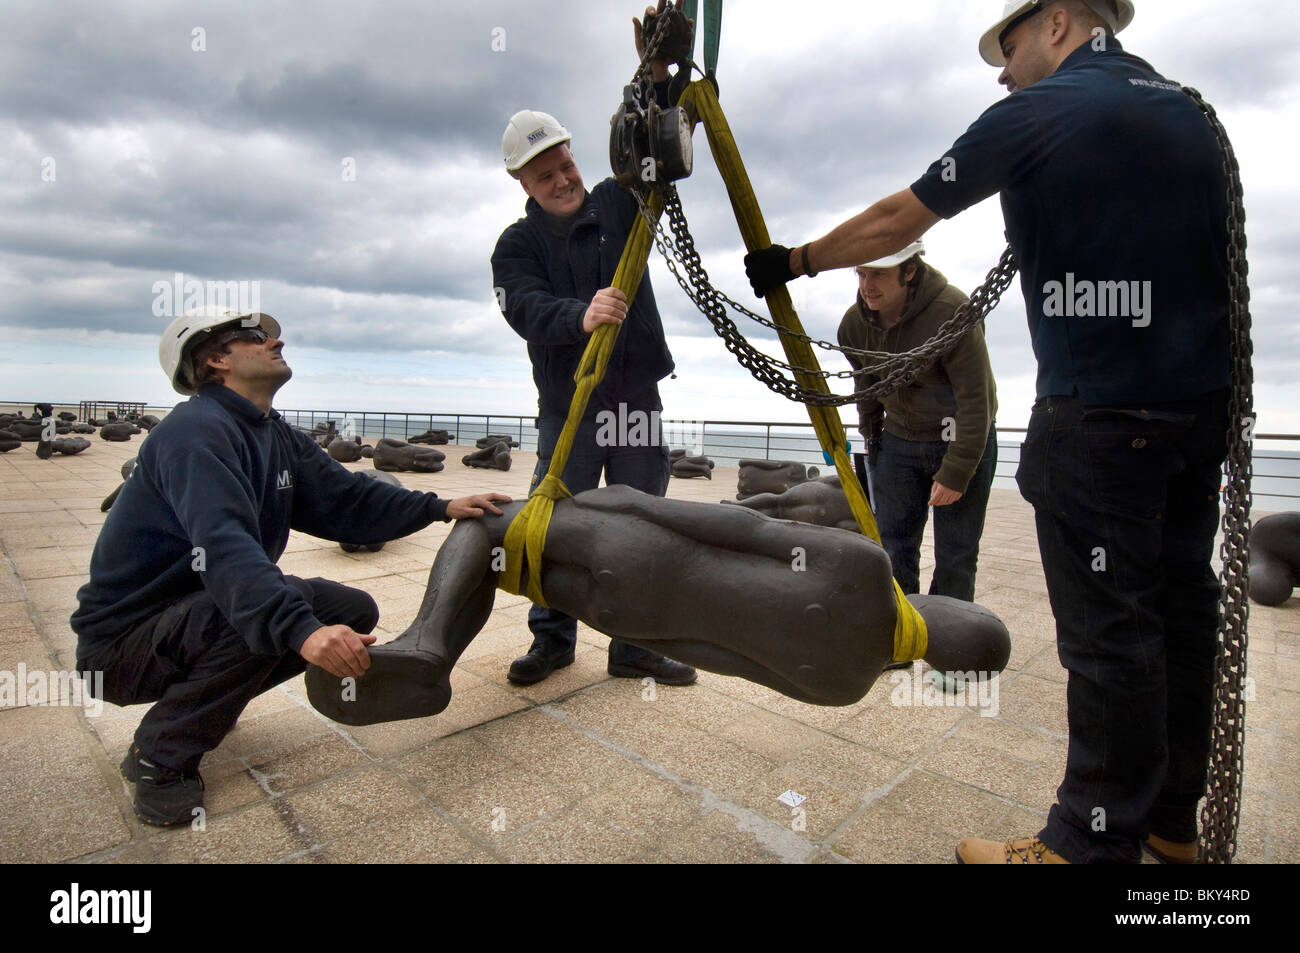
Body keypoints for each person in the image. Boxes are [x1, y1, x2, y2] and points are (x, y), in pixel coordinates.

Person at [745, 0, 1230, 865]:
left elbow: (902, 218)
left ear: (1058, 23)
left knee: (1110, 633)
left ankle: (1086, 842)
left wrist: (795, 260)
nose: (1000, 73)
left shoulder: (1041, 112)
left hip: (1100, 421)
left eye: (1006, 49)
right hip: (1198, 417)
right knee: (1180, 614)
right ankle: (1170, 819)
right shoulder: (1190, 112)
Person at [71, 306, 509, 826]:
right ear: (215, 359)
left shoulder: (269, 431)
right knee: (282, 615)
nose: (274, 342)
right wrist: (301, 630)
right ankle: (158, 756)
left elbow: (347, 498)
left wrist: (438, 507)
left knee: (349, 608)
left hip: (192, 615)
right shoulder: (195, 433)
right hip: (123, 646)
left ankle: (202, 702)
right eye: (254, 337)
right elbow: (225, 550)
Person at [304, 483, 1013, 726]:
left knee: (489, 527)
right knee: (510, 568)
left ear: (947, 610)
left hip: (647, 551)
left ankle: (429, 644)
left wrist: (631, 502)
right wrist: (645, 631)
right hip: (639, 615)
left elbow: (739, 528)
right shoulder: (843, 686)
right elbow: (724, 659)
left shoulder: (866, 567)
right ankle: (428, 659)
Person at [488, 9, 696, 689]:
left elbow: (650, 149)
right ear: (522, 182)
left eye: (566, 164)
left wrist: (655, 73)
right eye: (544, 173)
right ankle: (552, 640)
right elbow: (523, 308)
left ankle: (634, 647)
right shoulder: (516, 247)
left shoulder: (617, 203)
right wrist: (583, 314)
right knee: (556, 524)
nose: (561, 179)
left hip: (634, 398)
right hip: (568, 406)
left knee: (645, 525)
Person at [839, 240, 998, 603]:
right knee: (893, 550)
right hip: (898, 440)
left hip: (959, 439)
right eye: (861, 273)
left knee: (956, 556)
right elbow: (865, 388)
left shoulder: (953, 310)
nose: (867, 285)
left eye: (879, 273)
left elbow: (977, 399)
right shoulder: (852, 325)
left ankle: (948, 643)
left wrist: (957, 470)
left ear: (909, 272)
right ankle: (900, 637)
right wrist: (872, 441)